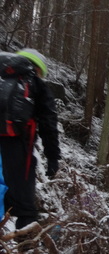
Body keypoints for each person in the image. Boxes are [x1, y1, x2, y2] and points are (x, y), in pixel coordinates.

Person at [0, 48, 61, 229]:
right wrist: (52, 157)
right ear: (38, 69)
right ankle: (27, 252)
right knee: (25, 206)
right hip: (17, 149)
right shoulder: (36, 84)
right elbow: (48, 124)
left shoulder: (1, 79)